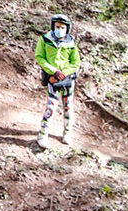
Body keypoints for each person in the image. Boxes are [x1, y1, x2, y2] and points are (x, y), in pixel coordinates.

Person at [34, 14, 80, 149]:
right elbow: (39, 57)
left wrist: (64, 73)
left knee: (68, 107)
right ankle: (42, 135)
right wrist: (53, 71)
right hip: (52, 79)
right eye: (57, 27)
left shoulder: (71, 43)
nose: (59, 29)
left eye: (62, 27)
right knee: (51, 107)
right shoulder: (45, 40)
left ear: (67, 29)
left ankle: (67, 133)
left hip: (68, 79)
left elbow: (75, 63)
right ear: (53, 26)